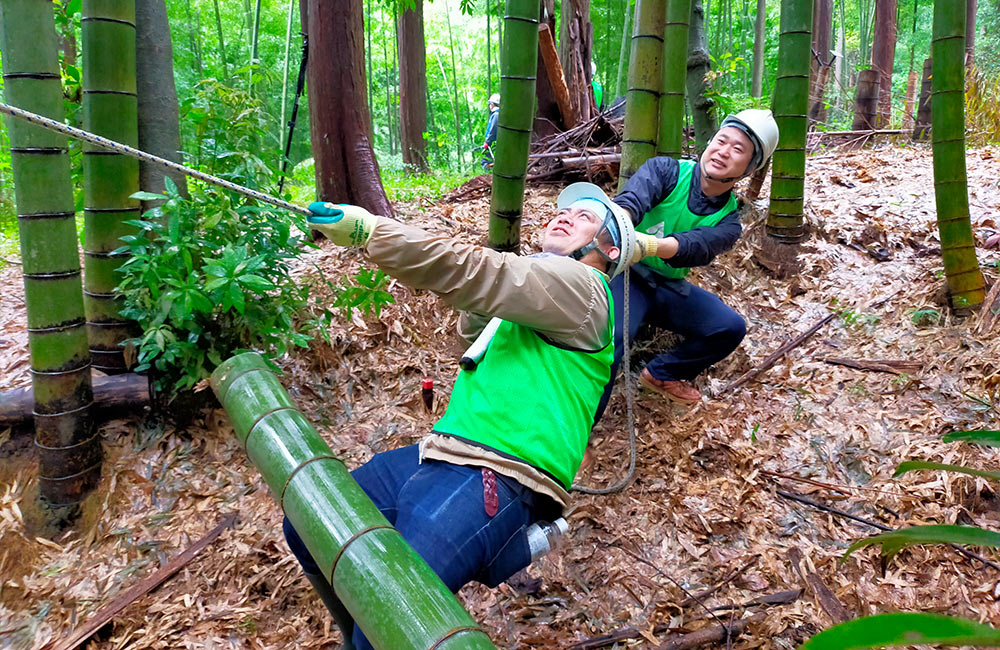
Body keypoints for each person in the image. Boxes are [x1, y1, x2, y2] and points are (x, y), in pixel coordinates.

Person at [285, 184, 671, 649]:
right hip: (444, 450)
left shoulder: (583, 289)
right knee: (307, 524)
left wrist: (372, 231)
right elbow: (472, 320)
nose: (565, 216)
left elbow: (476, 272)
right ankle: (363, 637)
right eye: (564, 210)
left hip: (501, 472)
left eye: (586, 216)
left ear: (608, 250)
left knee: (396, 612)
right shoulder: (541, 295)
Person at [595, 109, 779, 416]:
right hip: (625, 274)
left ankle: (661, 373)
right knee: (612, 339)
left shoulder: (730, 221)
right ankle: (581, 434)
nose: (724, 152)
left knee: (729, 327)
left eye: (738, 150)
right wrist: (618, 226)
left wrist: (649, 245)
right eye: (722, 141)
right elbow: (632, 201)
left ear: (748, 168)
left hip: (667, 286)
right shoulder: (667, 170)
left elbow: (694, 246)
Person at [480, 93, 500, 170]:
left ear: (492, 104)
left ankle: (489, 173)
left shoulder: (496, 115)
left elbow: (493, 130)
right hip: (493, 142)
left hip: (493, 142)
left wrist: (488, 142)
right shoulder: (497, 114)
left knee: (485, 159)